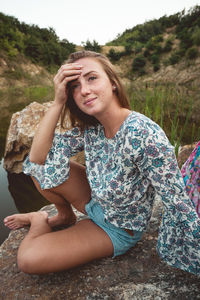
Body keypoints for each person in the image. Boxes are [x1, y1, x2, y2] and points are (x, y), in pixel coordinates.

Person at [4, 51, 200, 276]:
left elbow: (177, 201)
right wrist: (58, 101)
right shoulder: (92, 127)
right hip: (94, 203)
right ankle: (64, 215)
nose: (84, 90)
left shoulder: (143, 135)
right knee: (37, 166)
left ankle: (38, 220)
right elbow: (38, 158)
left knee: (29, 260)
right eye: (74, 86)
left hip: (115, 229)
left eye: (92, 78)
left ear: (113, 83)